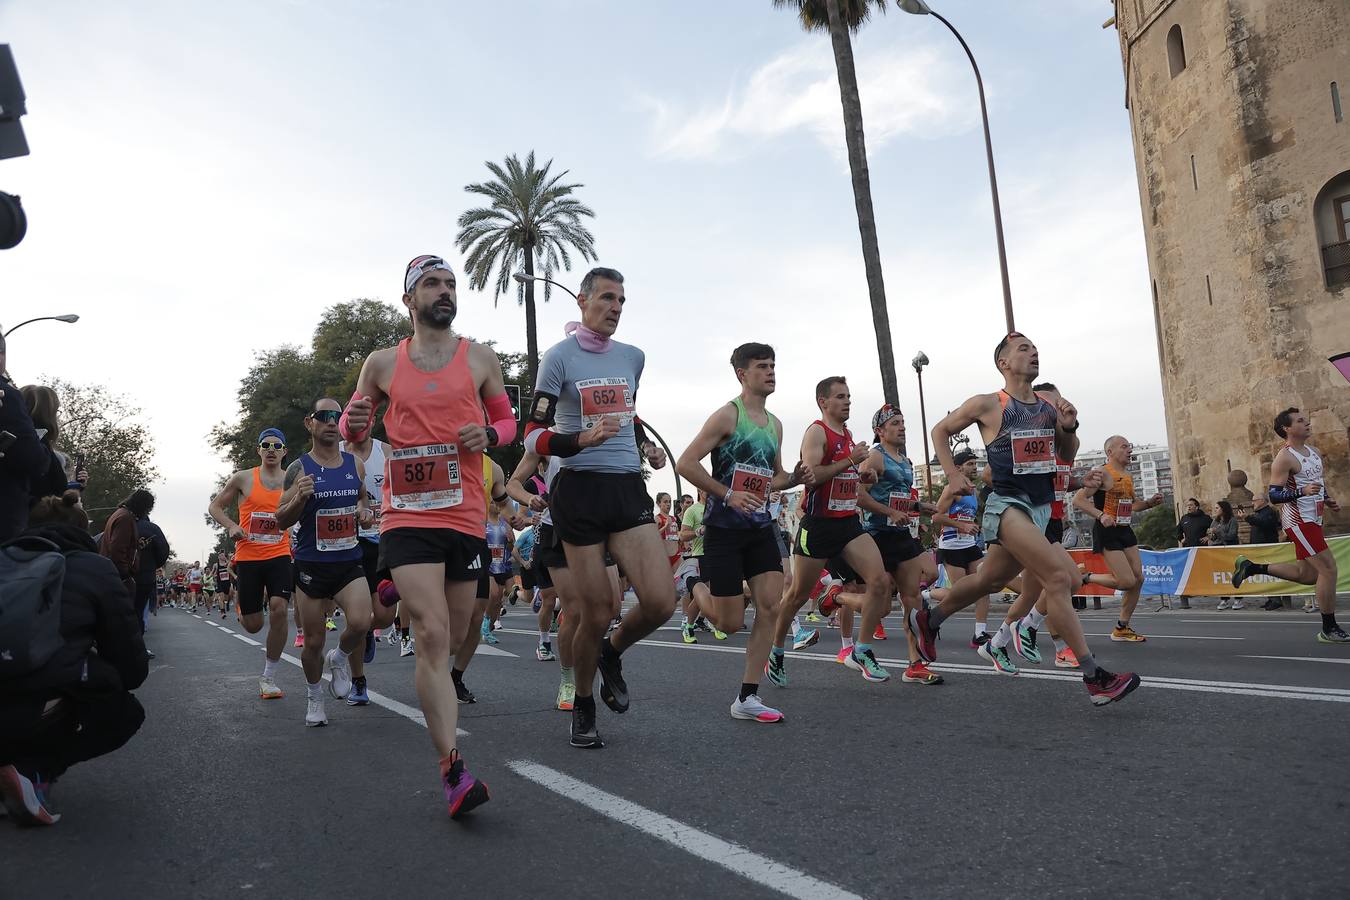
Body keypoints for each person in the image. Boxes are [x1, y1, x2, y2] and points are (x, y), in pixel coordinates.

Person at [341, 254, 513, 816]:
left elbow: (507, 422)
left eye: (450, 284)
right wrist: (353, 423)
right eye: (432, 284)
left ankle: (393, 587)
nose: (444, 291)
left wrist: (488, 434)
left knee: (459, 632)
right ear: (409, 299)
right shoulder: (382, 363)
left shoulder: (480, 357)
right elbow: (352, 425)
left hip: (464, 516)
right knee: (434, 636)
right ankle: (453, 769)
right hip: (408, 514)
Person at [910, 332, 1139, 705]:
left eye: (1035, 348)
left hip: (1040, 510)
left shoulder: (1048, 405)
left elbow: (1064, 452)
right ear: (1003, 363)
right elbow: (940, 430)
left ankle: (929, 620)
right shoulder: (988, 403)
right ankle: (1094, 676)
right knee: (1059, 577)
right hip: (1007, 506)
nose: (1033, 352)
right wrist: (951, 474)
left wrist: (1069, 426)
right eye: (1023, 349)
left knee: (990, 579)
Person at [524, 266, 675, 748]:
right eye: (607, 297)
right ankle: (584, 703)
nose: (615, 307)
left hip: (627, 487)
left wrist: (646, 448)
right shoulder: (558, 358)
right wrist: (579, 440)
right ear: (583, 300)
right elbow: (532, 434)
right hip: (579, 490)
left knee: (661, 602)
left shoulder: (633, 357)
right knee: (595, 610)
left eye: (621, 300)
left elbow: (629, 416)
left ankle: (612, 650)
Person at [675, 342, 811, 722]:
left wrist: (794, 478)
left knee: (770, 606)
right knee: (729, 623)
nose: (770, 372)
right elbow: (686, 463)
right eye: (762, 366)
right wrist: (727, 494)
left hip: (760, 528)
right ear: (742, 374)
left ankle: (747, 697)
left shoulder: (776, 424)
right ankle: (694, 586)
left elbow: (774, 477)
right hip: (723, 530)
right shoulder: (727, 416)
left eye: (773, 366)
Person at [0, 492, 147, 826]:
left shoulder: (5, 555)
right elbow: (130, 665)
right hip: (40, 687)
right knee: (122, 710)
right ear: (83, 530)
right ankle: (34, 770)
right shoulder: (94, 567)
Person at [768, 376, 894, 686]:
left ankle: (861, 650)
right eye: (840, 396)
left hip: (848, 523)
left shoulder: (848, 435)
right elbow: (812, 477)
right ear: (823, 402)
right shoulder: (817, 432)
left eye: (848, 396)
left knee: (880, 582)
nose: (847, 401)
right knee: (797, 595)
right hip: (819, 526)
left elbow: (844, 477)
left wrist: (863, 476)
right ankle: (776, 650)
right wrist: (850, 460)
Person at [276, 399, 377, 725]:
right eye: (324, 416)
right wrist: (299, 498)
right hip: (311, 565)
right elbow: (280, 519)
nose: (332, 422)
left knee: (361, 622)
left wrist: (363, 512)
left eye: (337, 416)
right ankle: (314, 695)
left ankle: (340, 656)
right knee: (314, 642)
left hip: (348, 560)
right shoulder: (299, 469)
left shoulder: (355, 464)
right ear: (310, 423)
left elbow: (361, 497)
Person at [1234, 407, 1346, 643]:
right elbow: (1274, 496)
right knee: (1328, 570)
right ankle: (1329, 628)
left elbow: (1316, 482)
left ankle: (1251, 568)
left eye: (1306, 419)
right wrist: (1301, 492)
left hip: (1314, 518)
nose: (1307, 423)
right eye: (1300, 421)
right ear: (1286, 428)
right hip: (1299, 521)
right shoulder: (1284, 458)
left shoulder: (1314, 452)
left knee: (1308, 575)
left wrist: (1326, 499)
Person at [854, 404, 942, 684]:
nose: (902, 427)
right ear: (879, 430)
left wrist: (919, 506)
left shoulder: (905, 461)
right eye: (895, 423)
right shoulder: (875, 457)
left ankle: (915, 664)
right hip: (877, 536)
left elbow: (899, 500)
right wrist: (889, 512)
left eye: (903, 422)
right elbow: (859, 496)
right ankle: (836, 599)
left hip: (901, 535)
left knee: (912, 600)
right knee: (880, 608)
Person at [208, 428, 295, 700]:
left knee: (279, 608)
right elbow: (215, 507)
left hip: (280, 553)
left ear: (284, 451)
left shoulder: (292, 480)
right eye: (266, 445)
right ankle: (242, 607)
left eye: (276, 446)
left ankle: (268, 676)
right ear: (258, 450)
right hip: (248, 556)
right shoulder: (243, 478)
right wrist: (232, 526)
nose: (271, 450)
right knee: (254, 625)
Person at [1073, 436, 1165, 642]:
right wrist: (1101, 515)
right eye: (1124, 447)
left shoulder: (1127, 476)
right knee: (1126, 581)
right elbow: (1078, 500)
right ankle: (1086, 577)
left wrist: (1149, 503)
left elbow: (1133, 505)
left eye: (1129, 446)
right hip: (1107, 530)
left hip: (1124, 529)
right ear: (1110, 452)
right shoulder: (1102, 472)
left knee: (1138, 579)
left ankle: (1122, 627)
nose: (1129, 450)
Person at [340, 421, 397, 675]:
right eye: (353, 419)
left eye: (366, 419)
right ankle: (358, 681)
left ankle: (365, 632)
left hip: (383, 542)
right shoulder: (335, 452)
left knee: (384, 616)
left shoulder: (387, 452)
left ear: (373, 421)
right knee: (357, 616)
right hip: (347, 544)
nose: (359, 424)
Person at [932, 450, 990, 647]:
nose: (974, 467)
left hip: (970, 545)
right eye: (970, 464)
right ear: (958, 468)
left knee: (984, 584)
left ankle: (979, 633)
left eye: (975, 464)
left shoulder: (973, 490)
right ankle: (926, 596)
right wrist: (962, 526)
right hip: (951, 546)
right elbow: (936, 516)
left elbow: (966, 516)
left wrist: (973, 526)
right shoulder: (951, 489)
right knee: (960, 594)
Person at [99, 490, 154, 603]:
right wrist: (126, 575)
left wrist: (136, 545)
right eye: (148, 509)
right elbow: (117, 549)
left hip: (111, 573)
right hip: (118, 577)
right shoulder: (125, 518)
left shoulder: (120, 513)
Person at [132, 506, 170, 653]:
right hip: (144, 576)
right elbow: (163, 550)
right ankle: (138, 646)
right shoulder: (152, 529)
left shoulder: (121, 525)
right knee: (139, 611)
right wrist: (153, 565)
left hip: (122, 575)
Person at [1241, 494, 1287, 610]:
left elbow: (1264, 523)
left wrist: (1247, 517)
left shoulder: (1269, 512)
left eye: (1254, 500)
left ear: (1262, 501)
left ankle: (1276, 599)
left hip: (1267, 548)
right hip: (1260, 548)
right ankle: (1271, 598)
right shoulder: (1260, 513)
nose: (1252, 503)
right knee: (1264, 574)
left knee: (1270, 573)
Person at [1176, 498, 1212, 610]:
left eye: (1191, 505)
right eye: (1187, 505)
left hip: (1202, 549)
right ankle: (1191, 591)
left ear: (1197, 506)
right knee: (1190, 571)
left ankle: (1206, 590)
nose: (1189, 507)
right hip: (1188, 550)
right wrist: (1181, 539)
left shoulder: (1205, 518)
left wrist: (1208, 537)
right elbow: (1178, 531)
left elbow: (1215, 529)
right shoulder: (1184, 518)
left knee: (1204, 570)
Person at [1206, 501, 1240, 609]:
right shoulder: (1215, 521)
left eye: (1217, 508)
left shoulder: (1232, 521)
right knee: (1221, 575)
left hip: (1230, 550)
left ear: (1223, 509)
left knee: (1234, 574)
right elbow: (1212, 538)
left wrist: (1218, 531)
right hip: (1218, 551)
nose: (1215, 510)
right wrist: (1211, 534)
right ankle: (1224, 599)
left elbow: (1231, 536)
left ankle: (1238, 598)